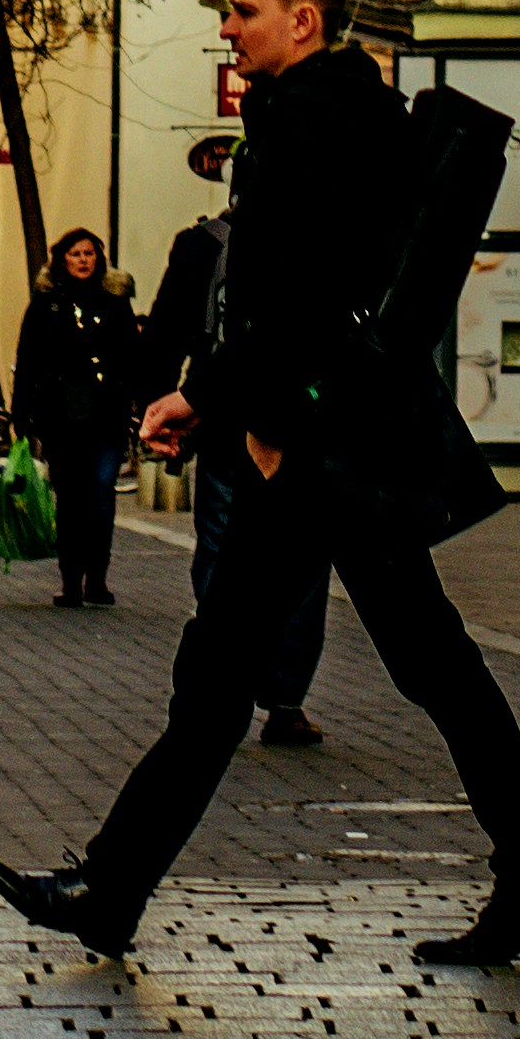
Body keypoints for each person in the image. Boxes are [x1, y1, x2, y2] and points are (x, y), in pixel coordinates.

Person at [0, 0, 520, 983]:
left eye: (244, 11)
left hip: (321, 454)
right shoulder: (343, 110)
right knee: (366, 669)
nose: (227, 26)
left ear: (300, 21)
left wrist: (203, 398)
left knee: (296, 670)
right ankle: (116, 889)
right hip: (331, 443)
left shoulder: (307, 121)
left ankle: (114, 890)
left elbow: (294, 300)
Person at [138, 132, 327, 742]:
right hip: (298, 423)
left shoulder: (199, 247)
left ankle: (226, 681)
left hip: (219, 423)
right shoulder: (310, 243)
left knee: (220, 551)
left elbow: (166, 332)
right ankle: (285, 698)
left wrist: (156, 405)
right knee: (302, 561)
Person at [11, 232, 145, 612]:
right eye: (76, 254)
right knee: (70, 499)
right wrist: (21, 413)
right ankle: (70, 580)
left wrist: (144, 402)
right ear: (62, 259)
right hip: (61, 415)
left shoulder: (117, 303)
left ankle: (97, 578)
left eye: (90, 253)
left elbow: (134, 358)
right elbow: (28, 360)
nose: (84, 260)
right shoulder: (45, 305)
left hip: (107, 414)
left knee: (102, 493)